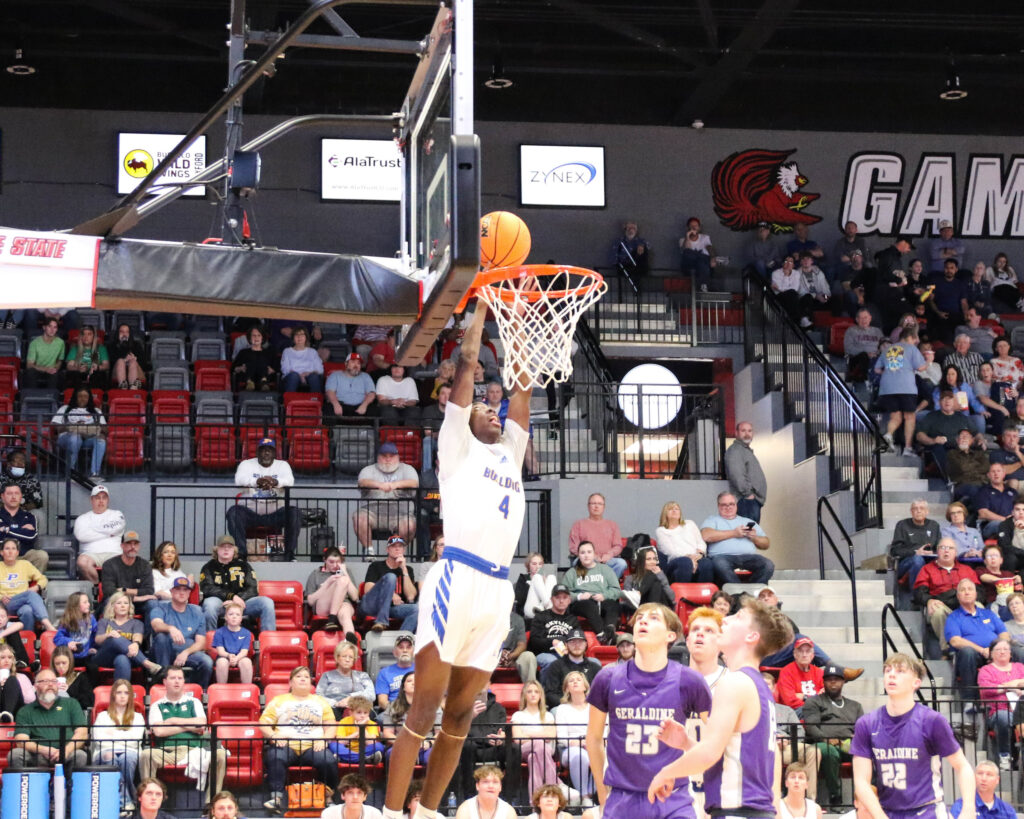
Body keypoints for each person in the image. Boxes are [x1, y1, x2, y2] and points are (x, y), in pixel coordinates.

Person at [646, 597, 794, 812]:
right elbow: (730, 758)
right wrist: (687, 743)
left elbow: (709, 754)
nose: (725, 619)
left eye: (738, 616)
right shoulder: (757, 685)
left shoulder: (734, 681)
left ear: (751, 636)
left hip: (739, 810)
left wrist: (665, 772)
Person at [586, 603, 710, 819]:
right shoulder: (607, 678)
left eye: (653, 618)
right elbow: (594, 738)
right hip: (622, 799)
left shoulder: (689, 681)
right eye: (639, 617)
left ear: (670, 635)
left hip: (673, 798)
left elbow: (717, 741)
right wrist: (602, 793)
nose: (643, 621)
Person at [851, 653, 975, 819]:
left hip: (927, 811)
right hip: (887, 811)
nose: (892, 674)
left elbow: (962, 766)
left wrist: (968, 809)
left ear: (916, 683)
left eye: (900, 671)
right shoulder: (866, 723)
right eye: (888, 670)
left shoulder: (931, 720)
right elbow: (861, 782)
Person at [260, 666, 339, 814]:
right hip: (286, 744)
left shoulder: (320, 701)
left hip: (312, 746)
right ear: (290, 683)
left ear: (311, 683)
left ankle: (328, 798)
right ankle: (276, 799)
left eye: (306, 677)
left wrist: (324, 740)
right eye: (298, 676)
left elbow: (331, 725)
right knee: (275, 756)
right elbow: (264, 723)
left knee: (327, 760)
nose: (303, 678)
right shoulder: (279, 701)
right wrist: (273, 736)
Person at [140, 665, 226, 794]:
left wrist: (174, 720)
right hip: (168, 752)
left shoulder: (194, 702)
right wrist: (190, 727)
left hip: (196, 750)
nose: (177, 681)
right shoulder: (157, 706)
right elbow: (159, 731)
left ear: (184, 682)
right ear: (165, 682)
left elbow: (201, 725)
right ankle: (149, 798)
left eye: (180, 678)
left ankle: (211, 803)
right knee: (146, 755)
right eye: (173, 678)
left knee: (220, 755)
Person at [226, 438, 300, 562]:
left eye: (269, 450)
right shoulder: (246, 464)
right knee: (233, 512)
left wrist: (275, 482)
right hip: (250, 512)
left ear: (274, 453)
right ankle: (242, 554)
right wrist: (257, 482)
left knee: (295, 513)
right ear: (257, 452)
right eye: (263, 450)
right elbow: (239, 480)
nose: (266, 453)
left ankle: (289, 554)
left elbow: (290, 481)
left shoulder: (282, 465)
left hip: (275, 513)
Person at [802, 664, 864, 808]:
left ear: (843, 682)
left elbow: (861, 729)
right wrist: (828, 740)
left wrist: (853, 741)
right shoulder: (814, 701)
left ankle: (867, 796)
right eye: (829, 679)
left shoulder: (855, 706)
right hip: (823, 743)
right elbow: (811, 727)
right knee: (829, 751)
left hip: (848, 744)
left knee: (868, 752)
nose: (833, 682)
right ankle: (835, 796)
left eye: (837, 679)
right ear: (823, 682)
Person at [944, 578, 1009, 704]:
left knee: (1018, 651)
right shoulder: (953, 617)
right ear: (958, 596)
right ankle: (969, 700)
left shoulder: (988, 613)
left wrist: (997, 649)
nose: (967, 592)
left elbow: (1004, 633)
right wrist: (982, 650)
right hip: (973, 655)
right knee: (968, 652)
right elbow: (955, 641)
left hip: (995, 652)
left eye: (970, 589)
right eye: (963, 590)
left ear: (975, 594)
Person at [9, 668, 88, 770]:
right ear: (36, 686)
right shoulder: (25, 711)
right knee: (15, 754)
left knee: (80, 755)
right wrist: (43, 750)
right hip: (37, 755)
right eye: (45, 681)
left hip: (67, 753)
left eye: (54, 681)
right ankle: (25, 785)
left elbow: (82, 733)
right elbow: (21, 740)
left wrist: (66, 750)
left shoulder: (72, 704)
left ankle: (70, 785)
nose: (50, 684)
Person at [198, 534, 277, 632]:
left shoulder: (244, 566)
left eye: (229, 547)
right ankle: (210, 641)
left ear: (234, 550)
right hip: (221, 604)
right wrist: (231, 596)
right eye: (223, 547)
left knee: (267, 602)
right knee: (209, 604)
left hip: (242, 603)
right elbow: (207, 588)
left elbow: (252, 588)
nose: (226, 549)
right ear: (217, 550)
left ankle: (268, 641)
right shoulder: (208, 567)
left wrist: (237, 600)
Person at [91, 678, 146, 813]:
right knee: (111, 758)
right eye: (119, 692)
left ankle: (115, 802)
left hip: (130, 751)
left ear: (130, 696)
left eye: (126, 693)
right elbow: (99, 738)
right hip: (105, 750)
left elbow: (136, 739)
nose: (122, 696)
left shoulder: (137, 717)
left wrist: (112, 733)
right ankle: (126, 801)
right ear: (113, 695)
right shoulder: (102, 716)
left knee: (125, 759)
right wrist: (124, 734)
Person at [352, 446, 419, 554]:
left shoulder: (407, 469)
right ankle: (369, 551)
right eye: (384, 456)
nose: (388, 459)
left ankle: (397, 552)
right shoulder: (368, 469)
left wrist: (395, 485)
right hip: (372, 512)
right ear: (378, 457)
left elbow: (414, 483)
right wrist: (379, 485)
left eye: (391, 456)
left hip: (400, 513)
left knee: (409, 524)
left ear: (397, 457)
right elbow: (362, 482)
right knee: (359, 518)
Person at [150, 577, 213, 688]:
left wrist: (186, 653)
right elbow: (156, 625)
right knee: (161, 637)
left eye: (185, 589)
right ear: (171, 591)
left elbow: (201, 642)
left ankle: (198, 693)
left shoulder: (197, 612)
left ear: (189, 592)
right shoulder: (160, 608)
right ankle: (163, 685)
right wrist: (171, 628)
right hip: (164, 651)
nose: (182, 592)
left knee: (207, 662)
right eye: (178, 589)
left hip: (187, 653)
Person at [700, 491, 774, 585]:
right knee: (720, 564)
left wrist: (754, 538)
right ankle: (739, 592)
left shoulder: (747, 521)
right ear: (719, 506)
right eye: (724, 505)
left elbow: (766, 544)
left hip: (748, 557)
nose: (728, 507)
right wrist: (734, 533)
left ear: (736, 505)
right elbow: (706, 536)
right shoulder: (712, 520)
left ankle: (751, 591)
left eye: (731, 504)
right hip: (722, 557)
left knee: (768, 565)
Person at [874, 327, 927, 455]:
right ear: (910, 337)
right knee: (909, 417)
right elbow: (921, 367)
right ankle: (908, 448)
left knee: (895, 417)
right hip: (906, 387)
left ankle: (888, 435)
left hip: (887, 388)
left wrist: (889, 373)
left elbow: (877, 369)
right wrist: (927, 363)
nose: (915, 342)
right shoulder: (912, 349)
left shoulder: (887, 349)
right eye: (915, 339)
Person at [92, 591, 163, 682]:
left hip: (130, 656)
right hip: (105, 656)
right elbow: (97, 640)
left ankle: (122, 692)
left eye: (126, 603)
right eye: (119, 603)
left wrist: (136, 644)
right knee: (114, 638)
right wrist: (108, 635)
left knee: (122, 659)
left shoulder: (136, 623)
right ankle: (146, 663)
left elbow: (138, 637)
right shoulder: (104, 621)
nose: (123, 606)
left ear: (130, 606)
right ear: (113, 606)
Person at [562, 541, 623, 644]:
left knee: (613, 605)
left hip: (602, 600)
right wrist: (579, 596)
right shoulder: (571, 573)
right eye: (583, 552)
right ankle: (602, 635)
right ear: (578, 555)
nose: (586, 555)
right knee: (589, 605)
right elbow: (564, 594)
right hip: (581, 603)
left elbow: (617, 590)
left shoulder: (605, 569)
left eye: (589, 552)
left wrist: (604, 595)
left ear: (594, 554)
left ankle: (609, 633)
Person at [976, 638, 1024, 769]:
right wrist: (1014, 686)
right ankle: (1004, 755)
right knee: (1003, 716)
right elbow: (987, 690)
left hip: (1021, 711)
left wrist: (1006, 685)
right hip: (996, 711)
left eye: (1005, 649)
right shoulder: (986, 670)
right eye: (998, 649)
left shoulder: (1020, 667)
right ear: (991, 654)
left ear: (1011, 653)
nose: (1002, 652)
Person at [359, 535, 418, 634]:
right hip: (373, 605)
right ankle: (381, 621)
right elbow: (367, 589)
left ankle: (401, 639)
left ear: (404, 550)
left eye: (400, 546)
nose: (397, 548)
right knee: (390, 577)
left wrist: (404, 570)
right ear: (387, 549)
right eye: (394, 546)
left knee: (417, 609)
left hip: (391, 608)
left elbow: (411, 596)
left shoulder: (408, 569)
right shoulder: (376, 566)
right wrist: (390, 594)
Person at [552, 671, 595, 804]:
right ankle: (585, 797)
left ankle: (592, 792)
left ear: (585, 686)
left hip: (594, 745)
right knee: (580, 756)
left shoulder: (595, 707)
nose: (575, 682)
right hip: (570, 748)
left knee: (604, 754)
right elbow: (562, 736)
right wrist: (579, 742)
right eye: (571, 681)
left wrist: (592, 743)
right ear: (566, 688)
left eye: (578, 679)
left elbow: (604, 730)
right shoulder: (562, 709)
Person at [379, 672, 440, 764]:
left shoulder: (434, 706)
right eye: (409, 681)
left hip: (427, 745)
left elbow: (439, 733)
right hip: (401, 745)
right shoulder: (393, 707)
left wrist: (429, 743)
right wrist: (402, 744)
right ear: (403, 687)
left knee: (434, 758)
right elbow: (388, 733)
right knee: (394, 755)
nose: (413, 683)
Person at [512, 679, 558, 799]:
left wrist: (529, 733)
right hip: (524, 750)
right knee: (539, 743)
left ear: (540, 695)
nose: (533, 694)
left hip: (543, 751)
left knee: (534, 758)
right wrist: (541, 734)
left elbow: (551, 736)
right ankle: (554, 788)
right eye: (529, 691)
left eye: (536, 692)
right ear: (524, 695)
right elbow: (517, 739)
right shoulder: (518, 715)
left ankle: (535, 803)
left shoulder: (548, 715)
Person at [0, 537, 54, 633]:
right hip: (4, 603)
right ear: (1, 552)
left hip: (22, 601)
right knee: (30, 594)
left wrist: (36, 587)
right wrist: (1, 597)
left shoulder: (25, 565)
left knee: (27, 611)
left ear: (17, 552)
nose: (10, 552)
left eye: (13, 549)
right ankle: (47, 624)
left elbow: (43, 579)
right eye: (7, 549)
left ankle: (27, 640)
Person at [74, 484, 126, 583]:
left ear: (108, 500)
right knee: (82, 562)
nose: (101, 501)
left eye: (104, 498)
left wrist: (93, 529)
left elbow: (118, 527)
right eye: (97, 498)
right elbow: (81, 536)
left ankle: (109, 591)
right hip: (90, 554)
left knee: (121, 563)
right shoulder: (82, 518)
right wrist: (108, 533)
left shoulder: (117, 514)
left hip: (113, 553)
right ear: (91, 500)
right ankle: (96, 588)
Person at [306, 547, 359, 641]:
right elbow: (310, 601)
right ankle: (332, 618)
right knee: (342, 580)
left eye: (338, 562)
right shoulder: (316, 574)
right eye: (331, 562)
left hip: (343, 603)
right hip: (323, 605)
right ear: (324, 560)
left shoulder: (346, 572)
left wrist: (345, 572)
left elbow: (355, 597)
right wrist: (327, 583)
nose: (335, 565)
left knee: (345, 613)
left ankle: (350, 639)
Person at [527, 584, 584, 675]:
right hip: (545, 653)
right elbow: (534, 641)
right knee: (552, 662)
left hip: (567, 653)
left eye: (565, 597)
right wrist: (552, 642)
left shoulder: (573, 620)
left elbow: (580, 640)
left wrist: (566, 645)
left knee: (594, 662)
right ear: (551, 599)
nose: (561, 601)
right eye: (557, 597)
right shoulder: (541, 617)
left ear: (569, 600)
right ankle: (547, 689)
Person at [100, 530, 157, 620]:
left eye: (135, 544)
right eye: (129, 543)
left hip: (138, 605)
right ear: (122, 546)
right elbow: (109, 591)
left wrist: (124, 590)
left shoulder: (145, 565)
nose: (133, 547)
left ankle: (146, 634)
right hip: (116, 601)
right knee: (108, 601)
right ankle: (111, 632)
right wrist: (136, 598)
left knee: (153, 604)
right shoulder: (109, 564)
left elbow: (149, 590)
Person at [567, 493, 627, 578]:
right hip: (586, 559)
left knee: (621, 563)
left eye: (599, 504)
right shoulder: (578, 524)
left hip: (607, 560)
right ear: (588, 506)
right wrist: (591, 556)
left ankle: (607, 587)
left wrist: (609, 555)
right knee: (579, 562)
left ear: (604, 507)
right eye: (593, 503)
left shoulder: (612, 525)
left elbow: (618, 546)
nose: (596, 506)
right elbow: (574, 547)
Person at [53, 386, 107, 479]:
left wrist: (93, 426)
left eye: (85, 397)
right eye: (80, 396)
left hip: (87, 438)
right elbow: (55, 427)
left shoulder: (96, 411)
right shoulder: (65, 408)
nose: (83, 399)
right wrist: (71, 426)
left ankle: (95, 473)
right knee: (75, 437)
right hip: (66, 438)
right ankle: (71, 472)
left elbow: (105, 430)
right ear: (75, 397)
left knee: (101, 439)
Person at [653, 501, 712, 584]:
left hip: (696, 557)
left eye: (676, 509)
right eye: (670, 509)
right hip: (677, 561)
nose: (674, 510)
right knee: (685, 562)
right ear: (665, 514)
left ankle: (704, 594)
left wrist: (700, 554)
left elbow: (700, 542)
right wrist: (690, 560)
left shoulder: (690, 524)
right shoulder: (661, 531)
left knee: (706, 563)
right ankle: (682, 595)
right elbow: (671, 552)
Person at [541, 628, 601, 710]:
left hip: (588, 707)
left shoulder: (595, 667)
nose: (577, 645)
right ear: (566, 645)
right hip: (563, 707)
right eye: (573, 642)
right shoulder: (556, 666)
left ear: (586, 644)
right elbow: (550, 694)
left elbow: (600, 693)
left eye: (580, 642)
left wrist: (584, 705)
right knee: (555, 711)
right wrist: (569, 704)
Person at [889, 499, 941, 592]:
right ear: (911, 512)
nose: (919, 511)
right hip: (907, 562)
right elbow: (894, 551)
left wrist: (932, 552)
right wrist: (915, 552)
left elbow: (939, 548)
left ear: (927, 511)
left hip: (930, 561)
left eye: (922, 508)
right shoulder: (902, 525)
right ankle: (917, 596)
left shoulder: (934, 525)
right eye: (915, 508)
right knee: (918, 560)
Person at [317, 641, 374, 718]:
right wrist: (336, 703)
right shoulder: (327, 676)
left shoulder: (362, 676)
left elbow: (371, 695)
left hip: (358, 708)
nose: (347, 660)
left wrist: (351, 698)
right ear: (337, 658)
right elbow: (318, 696)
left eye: (350, 657)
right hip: (334, 708)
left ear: (354, 660)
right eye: (344, 656)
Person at [0, 485, 43, 574]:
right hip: (1, 556)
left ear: (21, 497)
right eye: (9, 493)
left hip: (23, 555)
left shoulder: (29, 517)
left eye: (16, 493)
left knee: (41, 556)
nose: (13, 497)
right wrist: (21, 531)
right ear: (2, 497)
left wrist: (7, 530)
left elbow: (31, 536)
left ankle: (32, 586)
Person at [950, 760, 1015, 819]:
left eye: (989, 774)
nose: (984, 778)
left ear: (997, 780)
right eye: (980, 773)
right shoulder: (961, 806)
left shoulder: (1007, 810)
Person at [329, 696, 385, 764]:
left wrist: (362, 728)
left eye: (365, 713)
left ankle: (346, 758)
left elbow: (370, 743)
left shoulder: (371, 724)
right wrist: (357, 733)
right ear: (351, 712)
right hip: (347, 750)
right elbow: (341, 741)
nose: (362, 716)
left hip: (366, 751)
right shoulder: (344, 722)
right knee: (334, 745)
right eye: (359, 712)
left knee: (379, 746)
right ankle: (365, 759)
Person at [211, 601, 254, 684]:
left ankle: (247, 689)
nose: (234, 617)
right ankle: (221, 688)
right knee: (222, 662)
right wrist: (229, 655)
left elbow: (244, 651)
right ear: (226, 617)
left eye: (237, 615)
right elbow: (220, 651)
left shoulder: (246, 633)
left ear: (241, 618)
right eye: (231, 614)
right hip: (224, 656)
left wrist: (236, 658)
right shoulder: (219, 632)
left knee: (247, 662)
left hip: (240, 657)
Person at [326, 352, 377, 418]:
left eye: (358, 363)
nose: (356, 365)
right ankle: (330, 428)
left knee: (375, 411)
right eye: (353, 362)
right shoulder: (335, 375)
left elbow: (371, 394)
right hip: (341, 406)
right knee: (328, 409)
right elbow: (330, 392)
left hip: (361, 406)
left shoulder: (365, 376)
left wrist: (364, 405)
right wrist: (336, 404)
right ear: (346, 364)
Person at [375, 631, 417, 709]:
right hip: (395, 710)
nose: (405, 650)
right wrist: (399, 711)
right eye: (401, 647)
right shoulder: (384, 673)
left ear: (414, 652)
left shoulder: (423, 670)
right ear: (394, 652)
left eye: (408, 647)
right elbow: (382, 702)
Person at [54, 591, 97, 666]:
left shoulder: (91, 618)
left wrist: (94, 647)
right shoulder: (67, 620)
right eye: (85, 602)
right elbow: (57, 638)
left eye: (88, 602)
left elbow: (96, 634)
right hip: (71, 656)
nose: (89, 604)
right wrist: (69, 642)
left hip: (87, 656)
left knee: (93, 667)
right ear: (76, 605)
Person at [975, 463, 1017, 538]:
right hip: (991, 526)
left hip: (1013, 523)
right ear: (988, 475)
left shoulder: (1012, 491)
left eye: (998, 471)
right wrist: (1006, 520)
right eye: (993, 471)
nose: (996, 474)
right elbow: (983, 513)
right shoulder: (983, 491)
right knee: (1000, 524)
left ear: (1004, 474)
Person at [231, 325, 277, 391]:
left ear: (262, 338)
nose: (256, 338)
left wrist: (271, 370)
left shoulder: (269, 353)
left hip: (267, 376)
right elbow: (233, 368)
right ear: (249, 338)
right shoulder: (243, 352)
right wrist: (241, 368)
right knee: (250, 363)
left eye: (259, 335)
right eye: (254, 335)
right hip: (246, 377)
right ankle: (250, 382)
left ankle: (263, 382)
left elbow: (276, 369)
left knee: (262, 363)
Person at [843, 309, 884, 384]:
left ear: (870, 318)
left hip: (875, 357)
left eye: (865, 317)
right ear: (857, 319)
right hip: (858, 358)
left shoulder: (877, 331)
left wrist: (877, 354)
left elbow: (883, 345)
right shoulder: (851, 330)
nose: (863, 320)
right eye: (861, 318)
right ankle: (866, 381)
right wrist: (867, 353)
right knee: (864, 356)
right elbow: (848, 348)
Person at [24, 316, 65, 388]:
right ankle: (32, 397)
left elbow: (60, 360)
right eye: (50, 326)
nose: (52, 330)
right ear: (44, 327)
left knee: (55, 375)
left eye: (55, 327)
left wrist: (55, 368)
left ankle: (51, 397)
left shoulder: (60, 343)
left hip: (51, 370)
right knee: (30, 372)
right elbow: (29, 365)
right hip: (38, 369)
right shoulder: (34, 343)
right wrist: (45, 369)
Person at [279, 326, 324, 393]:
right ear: (293, 338)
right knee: (294, 376)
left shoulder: (312, 351)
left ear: (306, 337)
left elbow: (320, 369)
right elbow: (285, 369)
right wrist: (299, 375)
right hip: (292, 377)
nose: (299, 337)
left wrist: (307, 373)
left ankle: (316, 401)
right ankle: (289, 401)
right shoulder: (287, 351)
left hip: (309, 376)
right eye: (296, 335)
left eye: (302, 334)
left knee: (314, 377)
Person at [64, 325, 109, 389]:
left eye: (89, 334)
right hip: (79, 375)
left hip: (95, 375)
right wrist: (78, 369)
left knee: (99, 375)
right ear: (80, 336)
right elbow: (69, 366)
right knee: (73, 375)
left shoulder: (101, 348)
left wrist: (98, 367)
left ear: (93, 336)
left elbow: (106, 365)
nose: (86, 337)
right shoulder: (75, 348)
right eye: (83, 334)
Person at [515, 552, 557, 619]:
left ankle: (542, 606)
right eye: (534, 564)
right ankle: (549, 606)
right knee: (537, 577)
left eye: (540, 564)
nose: (537, 567)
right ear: (528, 565)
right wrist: (533, 585)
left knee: (552, 577)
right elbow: (520, 599)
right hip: (530, 610)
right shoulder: (523, 578)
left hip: (544, 610)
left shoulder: (547, 580)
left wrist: (543, 584)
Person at [51, 645, 93, 712]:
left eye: (64, 663)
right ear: (53, 664)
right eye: (57, 664)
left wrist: (69, 692)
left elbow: (87, 703)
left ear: (70, 662)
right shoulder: (48, 678)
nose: (61, 666)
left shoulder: (80, 677)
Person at [108, 323, 149, 390]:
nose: (124, 334)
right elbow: (109, 363)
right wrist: (124, 360)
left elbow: (145, 365)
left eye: (127, 332)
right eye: (122, 332)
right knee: (121, 361)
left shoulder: (136, 345)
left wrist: (135, 359)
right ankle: (123, 387)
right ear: (117, 334)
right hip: (117, 373)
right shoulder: (111, 346)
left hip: (136, 374)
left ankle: (133, 388)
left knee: (132, 361)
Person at [679, 216, 716, 291]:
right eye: (691, 226)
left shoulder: (705, 237)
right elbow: (685, 252)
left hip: (703, 266)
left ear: (699, 228)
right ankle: (702, 257)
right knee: (687, 252)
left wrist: (713, 258)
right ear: (688, 228)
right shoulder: (682, 240)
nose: (693, 227)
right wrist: (687, 236)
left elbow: (710, 248)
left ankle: (703, 286)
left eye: (695, 225)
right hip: (689, 266)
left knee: (702, 261)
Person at [0, 642, 34, 720]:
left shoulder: (21, 677)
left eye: (9, 657)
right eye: (2, 657)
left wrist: (15, 688)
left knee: (12, 680)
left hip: (16, 713)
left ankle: (7, 715)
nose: (7, 660)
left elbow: (31, 699)